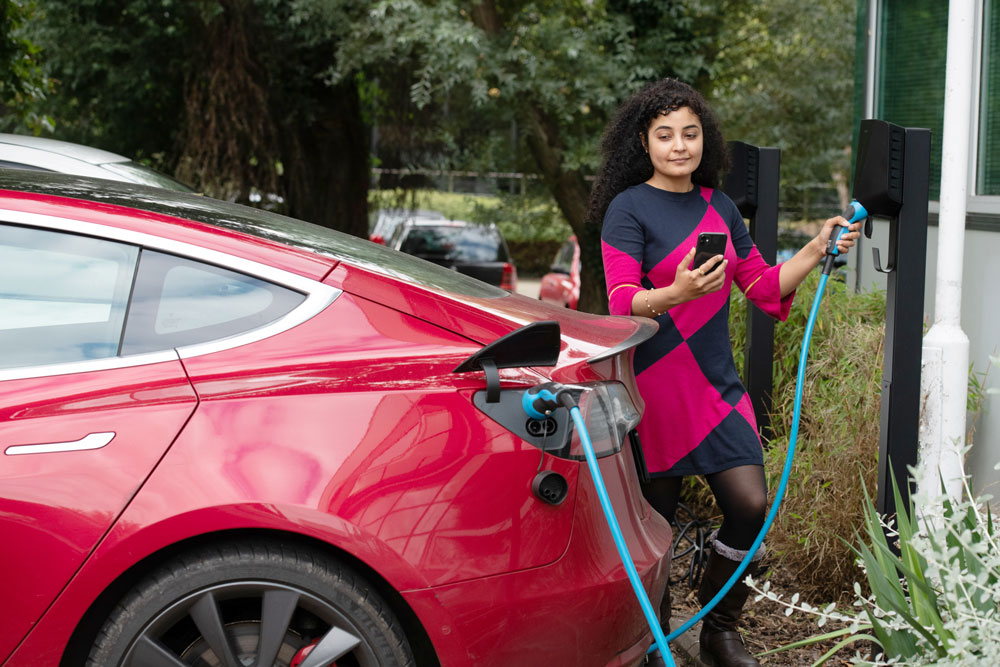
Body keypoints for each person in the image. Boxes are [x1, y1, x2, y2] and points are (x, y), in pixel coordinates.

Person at [588, 78, 860, 667]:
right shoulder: (627, 207)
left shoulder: (722, 207)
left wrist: (814, 249)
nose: (679, 145)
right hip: (652, 387)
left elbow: (763, 287)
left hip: (715, 388)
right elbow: (621, 300)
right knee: (653, 532)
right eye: (665, 135)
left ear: (703, 139)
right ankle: (655, 640)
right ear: (644, 141)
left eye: (690, 133)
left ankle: (719, 630)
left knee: (749, 508)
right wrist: (676, 291)